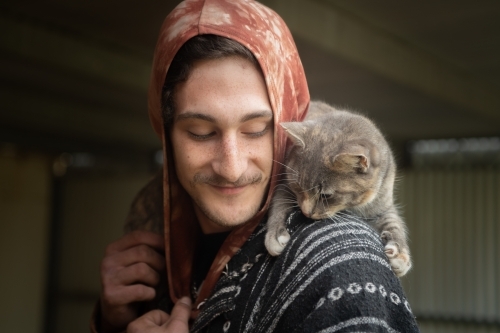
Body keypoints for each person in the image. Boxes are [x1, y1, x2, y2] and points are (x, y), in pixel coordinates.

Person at [92, 0, 420, 332]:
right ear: (165, 130)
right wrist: (113, 322)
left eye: (256, 129)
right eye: (201, 132)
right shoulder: (149, 220)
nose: (231, 168)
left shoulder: (340, 264)